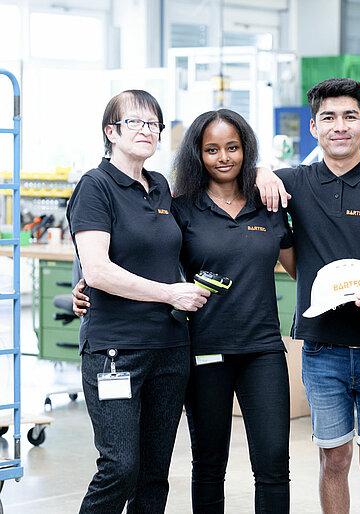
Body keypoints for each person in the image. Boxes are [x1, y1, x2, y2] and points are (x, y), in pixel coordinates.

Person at [74, 108, 297, 513]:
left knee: (273, 465)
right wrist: (85, 279)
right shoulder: (180, 204)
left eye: (233, 147)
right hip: (201, 348)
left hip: (261, 348)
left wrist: (267, 171)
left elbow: (300, 265)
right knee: (206, 465)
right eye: (212, 149)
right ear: (197, 154)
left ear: (247, 150)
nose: (224, 157)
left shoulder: (267, 203)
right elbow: (135, 244)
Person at [256, 78, 360, 513]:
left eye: (350, 116)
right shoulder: (292, 183)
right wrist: (260, 170)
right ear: (313, 126)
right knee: (334, 461)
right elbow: (250, 189)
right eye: (328, 118)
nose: (340, 126)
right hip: (321, 347)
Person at [66, 90, 210, 513]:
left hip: (169, 348)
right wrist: (171, 293)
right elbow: (97, 270)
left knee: (153, 474)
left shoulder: (161, 186)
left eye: (154, 124)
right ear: (111, 132)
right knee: (120, 467)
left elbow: (159, 252)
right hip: (117, 350)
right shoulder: (96, 186)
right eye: (136, 122)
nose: (147, 131)